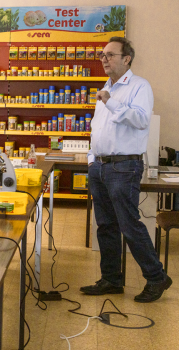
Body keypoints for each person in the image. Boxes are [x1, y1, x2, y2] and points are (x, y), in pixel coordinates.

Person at [80, 37, 171, 302]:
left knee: (129, 225)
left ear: (126, 58)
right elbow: (98, 130)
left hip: (124, 167)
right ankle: (111, 279)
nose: (104, 59)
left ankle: (156, 277)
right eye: (102, 55)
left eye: (109, 54)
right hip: (99, 166)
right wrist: (90, 159)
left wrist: (110, 101)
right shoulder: (106, 87)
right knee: (105, 226)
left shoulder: (138, 86)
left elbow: (142, 120)